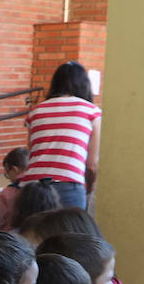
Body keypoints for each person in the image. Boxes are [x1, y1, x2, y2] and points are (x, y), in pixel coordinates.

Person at [16, 61, 102, 210]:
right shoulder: (91, 112)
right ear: (84, 84)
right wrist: (88, 188)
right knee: (68, 232)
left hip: (33, 187)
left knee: (33, 232)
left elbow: (33, 150)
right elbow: (91, 165)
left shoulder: (36, 112)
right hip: (69, 185)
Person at [0, 146, 29, 230]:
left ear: (14, 169)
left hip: (13, 237)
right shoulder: (41, 185)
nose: (8, 177)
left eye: (7, 173)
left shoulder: (9, 192)